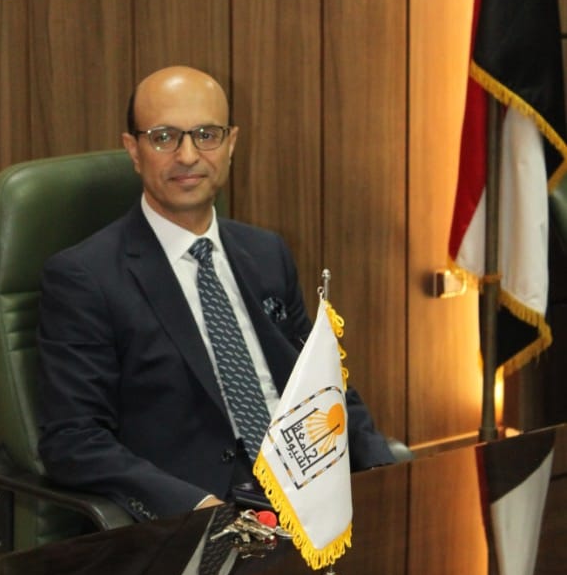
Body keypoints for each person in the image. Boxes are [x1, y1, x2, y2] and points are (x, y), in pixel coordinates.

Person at [37, 66, 394, 522]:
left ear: (231, 144)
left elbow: (324, 384)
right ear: (134, 150)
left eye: (206, 135)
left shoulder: (266, 253)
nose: (188, 156)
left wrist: (383, 473)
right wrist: (193, 506)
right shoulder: (85, 277)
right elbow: (72, 439)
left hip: (310, 497)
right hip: (203, 518)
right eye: (164, 137)